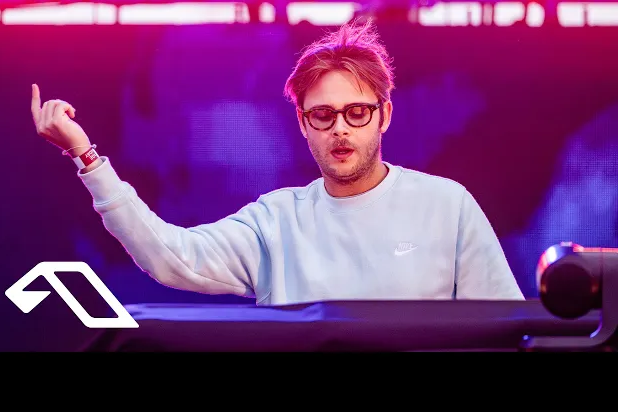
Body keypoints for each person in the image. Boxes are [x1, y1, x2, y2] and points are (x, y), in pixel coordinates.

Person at [30, 19, 524, 305]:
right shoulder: (276, 220)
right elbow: (171, 256)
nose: (340, 129)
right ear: (304, 124)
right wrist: (87, 157)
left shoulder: (447, 205)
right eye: (323, 115)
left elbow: (503, 326)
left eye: (356, 112)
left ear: (384, 115)